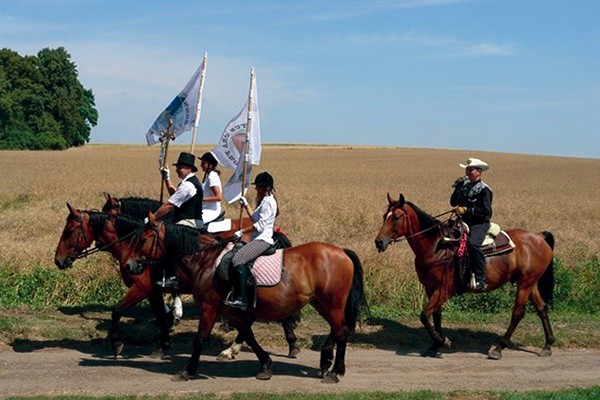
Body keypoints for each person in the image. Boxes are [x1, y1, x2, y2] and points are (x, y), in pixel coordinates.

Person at [225, 171, 278, 310]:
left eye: (259, 187)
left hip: (263, 240)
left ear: (266, 188)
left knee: (238, 260)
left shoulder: (268, 203)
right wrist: (246, 204)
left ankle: (242, 298)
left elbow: (259, 225)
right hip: (257, 238)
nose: (256, 189)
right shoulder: (264, 201)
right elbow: (255, 217)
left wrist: (241, 232)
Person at [151, 151, 204, 290]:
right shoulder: (187, 183)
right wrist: (167, 178)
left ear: (189, 169)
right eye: (177, 167)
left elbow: (169, 204)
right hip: (189, 220)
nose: (177, 169)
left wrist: (152, 218)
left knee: (168, 239)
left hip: (189, 221)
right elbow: (175, 196)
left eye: (180, 167)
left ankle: (173, 277)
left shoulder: (188, 185)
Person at [450, 157, 493, 292]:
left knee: (473, 244)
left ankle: (481, 279)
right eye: (466, 170)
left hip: (479, 223)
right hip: (462, 222)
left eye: (470, 170)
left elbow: (486, 211)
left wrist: (467, 210)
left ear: (479, 171)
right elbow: (453, 203)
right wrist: (457, 188)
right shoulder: (465, 187)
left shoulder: (485, 190)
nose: (467, 172)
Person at [198, 152, 223, 224]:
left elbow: (219, 197)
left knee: (194, 223)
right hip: (204, 208)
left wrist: (201, 199)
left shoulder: (212, 176)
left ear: (210, 165)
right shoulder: (207, 176)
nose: (201, 165)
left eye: (203, 163)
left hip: (211, 210)